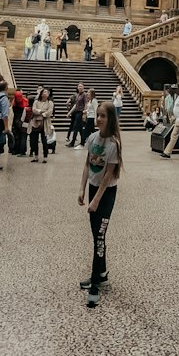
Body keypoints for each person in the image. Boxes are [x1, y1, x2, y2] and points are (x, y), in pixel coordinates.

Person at [78, 100, 124, 308]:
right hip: (93, 189)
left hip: (106, 194)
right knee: (95, 233)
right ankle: (102, 273)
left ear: (110, 119)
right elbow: (88, 164)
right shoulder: (92, 138)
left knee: (99, 235)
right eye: (97, 115)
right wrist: (82, 189)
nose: (98, 119)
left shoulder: (114, 143)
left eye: (103, 116)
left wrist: (96, 200)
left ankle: (95, 283)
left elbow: (108, 175)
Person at [29, 87, 54, 162]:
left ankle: (45, 156)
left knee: (44, 140)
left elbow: (49, 112)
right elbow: (33, 110)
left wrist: (42, 113)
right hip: (35, 122)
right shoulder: (36, 102)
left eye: (47, 92)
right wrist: (42, 111)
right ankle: (36, 156)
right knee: (34, 140)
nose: (45, 93)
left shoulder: (50, 103)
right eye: (44, 92)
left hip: (45, 123)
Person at [67, 82, 86, 148]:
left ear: (83, 87)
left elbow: (86, 104)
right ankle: (83, 141)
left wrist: (84, 113)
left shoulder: (84, 95)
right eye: (79, 86)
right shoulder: (77, 95)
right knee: (80, 128)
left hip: (81, 112)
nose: (80, 87)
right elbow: (75, 105)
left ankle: (73, 142)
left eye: (81, 86)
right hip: (76, 112)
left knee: (75, 127)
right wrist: (70, 113)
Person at [11, 87, 30, 154]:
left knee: (16, 135)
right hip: (23, 120)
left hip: (16, 120)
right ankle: (22, 150)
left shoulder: (14, 103)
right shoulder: (25, 101)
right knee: (23, 136)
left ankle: (16, 149)